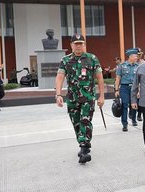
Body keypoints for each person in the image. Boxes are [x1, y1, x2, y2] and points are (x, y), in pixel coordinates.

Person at [55, 34, 105, 164]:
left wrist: (101, 96)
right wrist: (58, 94)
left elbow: (99, 78)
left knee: (85, 121)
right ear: (71, 45)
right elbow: (60, 77)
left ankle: (83, 148)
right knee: (76, 123)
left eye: (81, 43)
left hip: (88, 98)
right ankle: (84, 143)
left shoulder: (92, 58)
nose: (78, 46)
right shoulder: (65, 60)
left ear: (84, 45)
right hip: (72, 98)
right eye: (76, 44)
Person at [114, 48, 140, 131]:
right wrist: (116, 90)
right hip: (124, 88)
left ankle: (133, 119)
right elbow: (118, 79)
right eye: (135, 56)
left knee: (134, 104)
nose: (136, 57)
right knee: (124, 105)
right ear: (130, 56)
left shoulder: (138, 67)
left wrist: (139, 90)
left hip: (134, 87)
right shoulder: (122, 66)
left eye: (136, 56)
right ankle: (124, 124)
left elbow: (140, 80)